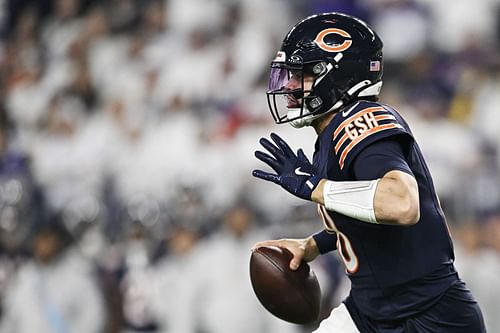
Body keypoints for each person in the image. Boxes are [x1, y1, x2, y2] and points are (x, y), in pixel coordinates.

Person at [251, 12, 486, 333]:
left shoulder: (362, 120)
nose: (290, 85)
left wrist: (318, 188)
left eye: (303, 74)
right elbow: (368, 215)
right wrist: (314, 244)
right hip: (370, 310)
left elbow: (401, 204)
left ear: (338, 77)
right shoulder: (330, 135)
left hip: (427, 316)